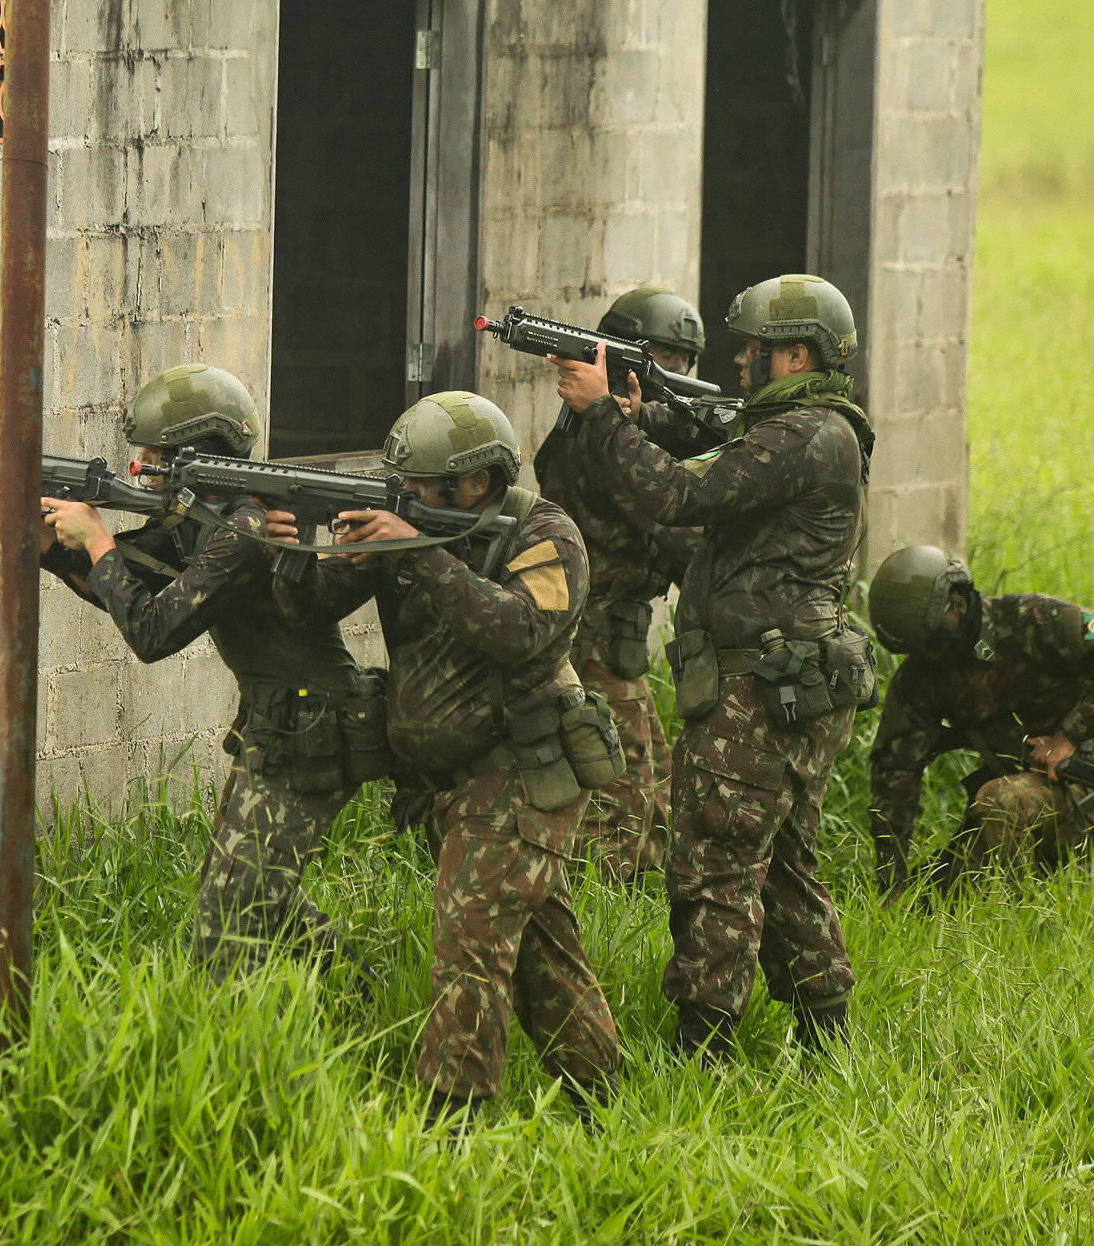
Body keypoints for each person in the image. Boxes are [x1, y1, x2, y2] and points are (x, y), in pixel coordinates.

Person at [269, 391, 623, 1119]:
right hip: (447, 783)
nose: (409, 497)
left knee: (470, 952)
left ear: (477, 482)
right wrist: (297, 553)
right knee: (540, 952)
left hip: (522, 774)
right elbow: (309, 610)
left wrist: (418, 551)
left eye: (424, 486)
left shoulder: (546, 536)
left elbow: (522, 630)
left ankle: (447, 1124)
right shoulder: (410, 529)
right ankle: (601, 1098)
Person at [551, 274, 875, 1062]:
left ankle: (705, 1046)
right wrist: (631, 415)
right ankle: (826, 1037)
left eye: (756, 351)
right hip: (783, 678)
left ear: (796, 355)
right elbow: (706, 440)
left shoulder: (804, 435)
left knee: (714, 860)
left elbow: (676, 495)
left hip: (761, 688)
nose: (740, 363)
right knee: (785, 864)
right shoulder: (805, 428)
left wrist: (600, 416)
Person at [15, 364, 384, 980]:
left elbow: (154, 632)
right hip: (280, 725)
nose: (141, 461)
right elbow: (132, 585)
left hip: (312, 730)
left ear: (198, 452)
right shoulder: (202, 520)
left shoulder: (245, 527)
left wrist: (99, 542)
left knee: (230, 919)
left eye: (154, 451)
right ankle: (359, 991)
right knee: (260, 896)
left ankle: (237, 1044)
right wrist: (53, 545)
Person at [531, 286, 709, 888]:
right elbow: (680, 534)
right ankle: (597, 911)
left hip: (611, 640)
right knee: (622, 807)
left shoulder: (616, 430)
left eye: (682, 361)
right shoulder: (602, 439)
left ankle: (623, 908)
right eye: (660, 356)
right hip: (592, 639)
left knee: (652, 791)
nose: (673, 375)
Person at [865, 545, 1094, 895]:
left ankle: (1013, 921)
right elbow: (894, 773)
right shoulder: (922, 674)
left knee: (999, 801)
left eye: (931, 641)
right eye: (916, 650)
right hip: (1003, 812)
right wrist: (892, 883)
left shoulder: (1033, 620)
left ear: (958, 606)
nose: (926, 658)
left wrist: (1067, 736)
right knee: (932, 900)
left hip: (1080, 798)